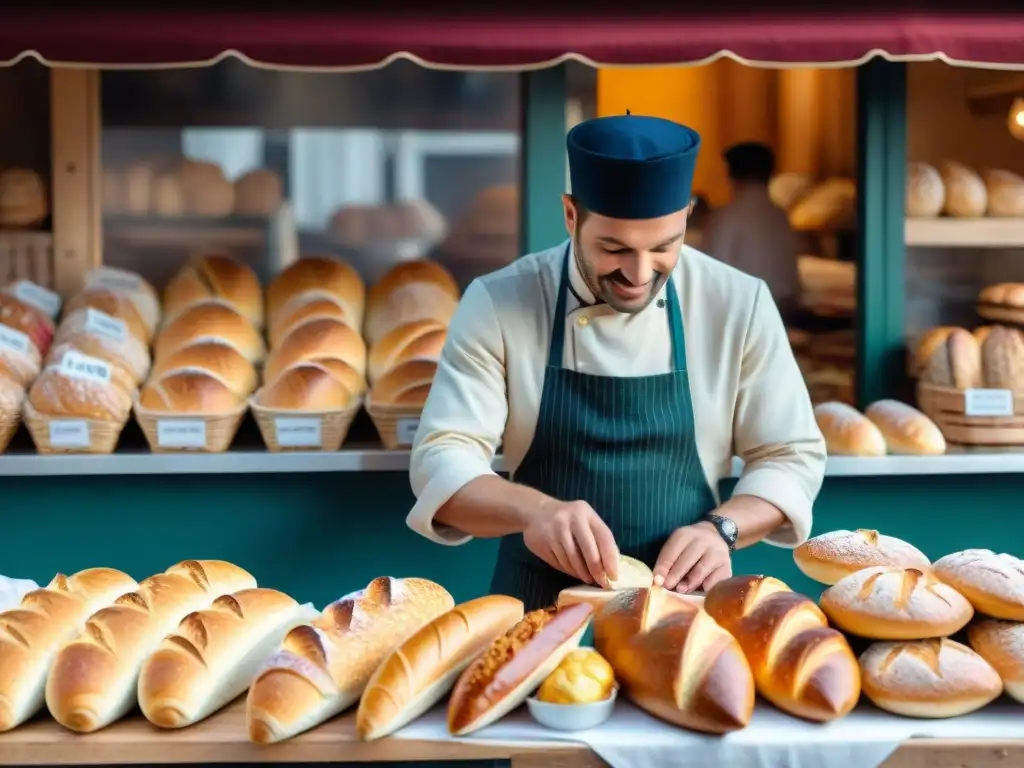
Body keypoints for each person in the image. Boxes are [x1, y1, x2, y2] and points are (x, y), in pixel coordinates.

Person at [406, 114, 826, 611]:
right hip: (537, 607)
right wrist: (536, 510)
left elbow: (789, 455)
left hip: (682, 610)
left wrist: (723, 528)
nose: (639, 273)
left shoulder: (738, 302)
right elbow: (440, 460)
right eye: (613, 248)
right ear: (570, 215)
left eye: (663, 248)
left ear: (687, 217)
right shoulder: (500, 301)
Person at [704, 142, 803, 318]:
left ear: (731, 175)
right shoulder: (781, 216)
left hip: (744, 313)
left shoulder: (726, 217)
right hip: (785, 311)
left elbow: (714, 279)